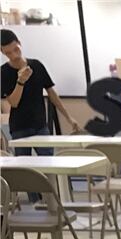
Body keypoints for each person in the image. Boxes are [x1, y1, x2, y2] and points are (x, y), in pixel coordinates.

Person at [1, 29, 80, 201]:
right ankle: (35, 202)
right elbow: (13, 102)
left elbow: (51, 93)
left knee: (49, 164)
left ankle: (54, 201)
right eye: (8, 53)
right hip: (19, 127)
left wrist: (68, 117)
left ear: (19, 43)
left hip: (40, 125)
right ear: (2, 52)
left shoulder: (36, 65)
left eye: (16, 49)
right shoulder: (4, 72)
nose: (14, 55)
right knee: (25, 169)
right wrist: (20, 81)